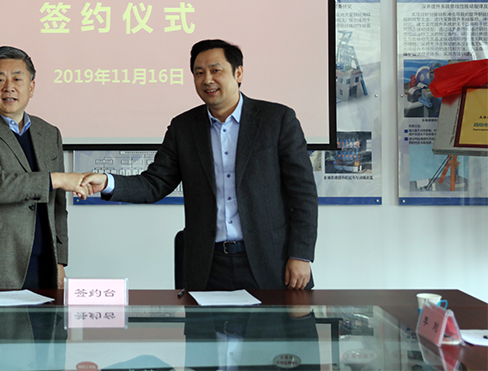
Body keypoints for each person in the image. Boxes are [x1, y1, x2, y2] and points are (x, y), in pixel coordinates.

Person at [82, 39, 318, 290]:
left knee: (282, 318)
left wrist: (301, 255)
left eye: (216, 70)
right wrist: (107, 182)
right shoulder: (184, 127)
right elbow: (155, 183)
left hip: (272, 261)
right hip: (208, 266)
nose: (207, 80)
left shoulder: (277, 120)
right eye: (199, 73)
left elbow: (303, 193)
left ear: (238, 73)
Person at [0, 46, 88, 290]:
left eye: (17, 79)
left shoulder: (49, 133)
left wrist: (60, 260)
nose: (9, 87)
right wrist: (56, 179)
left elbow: (58, 205)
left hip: (44, 263)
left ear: (31, 87)